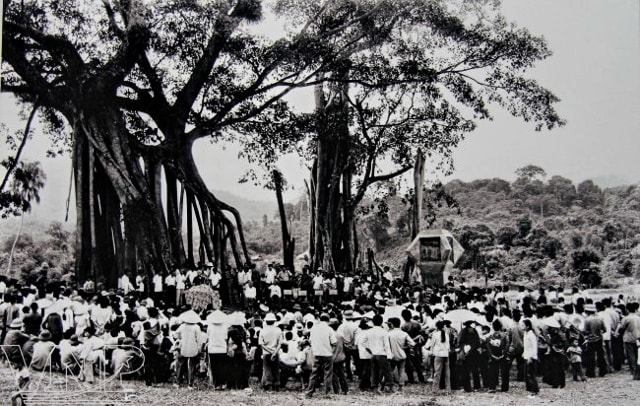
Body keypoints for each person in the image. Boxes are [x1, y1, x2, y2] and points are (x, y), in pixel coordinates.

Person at [305, 313, 336, 398]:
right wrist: (331, 351)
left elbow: (310, 341)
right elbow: (334, 342)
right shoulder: (329, 329)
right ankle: (327, 393)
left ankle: (309, 392)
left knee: (314, 373)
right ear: (328, 320)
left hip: (317, 353)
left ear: (320, 319)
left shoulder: (314, 329)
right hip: (327, 354)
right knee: (328, 374)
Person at [366, 314, 393, 394]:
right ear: (381, 322)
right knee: (387, 371)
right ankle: (390, 387)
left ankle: (374, 388)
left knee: (374, 371)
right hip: (382, 354)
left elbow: (363, 342)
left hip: (373, 354)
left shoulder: (369, 331)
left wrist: (369, 349)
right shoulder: (384, 332)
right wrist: (389, 355)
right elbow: (387, 345)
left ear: (373, 322)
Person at [485, 319, 510, 392]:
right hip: (503, 355)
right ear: (501, 326)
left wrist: (492, 355)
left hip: (493, 355)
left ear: (493, 327)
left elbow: (488, 347)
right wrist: (503, 354)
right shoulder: (505, 335)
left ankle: (492, 386)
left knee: (492, 371)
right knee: (504, 372)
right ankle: (505, 387)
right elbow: (507, 346)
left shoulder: (489, 336)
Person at [259, 313, 282, 390]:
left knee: (267, 369)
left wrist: (270, 352)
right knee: (276, 369)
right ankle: (277, 384)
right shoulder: (278, 330)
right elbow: (280, 343)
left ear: (266, 321)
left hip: (266, 352)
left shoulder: (262, 330)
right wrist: (274, 353)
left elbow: (261, 344)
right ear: (274, 321)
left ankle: (268, 384)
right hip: (276, 351)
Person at [429, 320, 450, 394]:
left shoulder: (435, 334)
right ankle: (448, 389)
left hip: (438, 354)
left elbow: (432, 345)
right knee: (447, 372)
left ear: (436, 327)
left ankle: (435, 389)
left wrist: (431, 353)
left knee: (437, 372)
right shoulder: (446, 334)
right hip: (446, 354)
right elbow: (448, 346)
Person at [522, 319, 539, 396]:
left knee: (530, 374)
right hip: (526, 355)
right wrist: (524, 353)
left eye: (523, 325)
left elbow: (534, 347)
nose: (522, 326)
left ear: (527, 326)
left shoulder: (531, 334)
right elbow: (526, 345)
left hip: (531, 357)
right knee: (526, 373)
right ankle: (529, 388)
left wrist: (531, 357)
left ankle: (534, 389)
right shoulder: (525, 333)